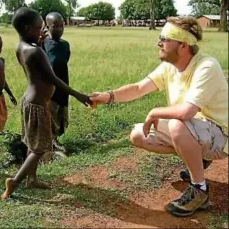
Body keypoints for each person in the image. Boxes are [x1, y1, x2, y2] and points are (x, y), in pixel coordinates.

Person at [90, 16, 228, 217]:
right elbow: (138, 88)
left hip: (221, 136)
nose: (159, 43)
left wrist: (155, 112)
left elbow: (186, 112)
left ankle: (200, 190)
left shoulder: (206, 66)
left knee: (177, 125)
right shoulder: (169, 67)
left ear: (183, 45)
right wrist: (107, 97)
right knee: (138, 135)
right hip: (197, 130)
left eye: (165, 39)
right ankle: (197, 159)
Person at [1, 7, 91, 199]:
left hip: (29, 100)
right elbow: (54, 79)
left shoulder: (21, 47)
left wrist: (40, 44)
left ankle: (31, 179)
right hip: (38, 104)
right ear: (27, 28)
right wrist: (78, 95)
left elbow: (37, 73)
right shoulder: (36, 52)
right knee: (40, 147)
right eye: (38, 28)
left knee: (32, 143)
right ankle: (14, 182)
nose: (43, 32)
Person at [40, 12, 70, 153]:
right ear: (47, 27)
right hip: (49, 88)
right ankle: (50, 144)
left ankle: (55, 140)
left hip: (63, 85)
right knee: (50, 115)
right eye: (55, 26)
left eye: (61, 25)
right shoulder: (43, 44)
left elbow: (64, 62)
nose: (59, 29)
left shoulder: (65, 45)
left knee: (61, 115)